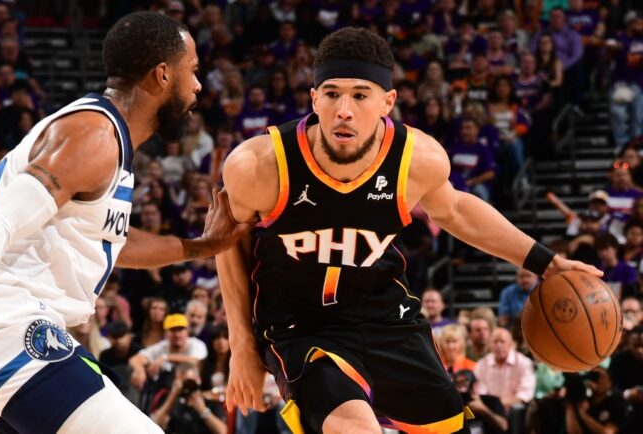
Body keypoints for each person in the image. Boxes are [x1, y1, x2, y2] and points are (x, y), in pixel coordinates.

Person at [215, 27, 599, 434]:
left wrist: (548, 262)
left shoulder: (417, 158)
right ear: (314, 98)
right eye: (331, 93)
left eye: (360, 95)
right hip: (301, 325)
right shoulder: (259, 165)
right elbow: (225, 242)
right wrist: (242, 347)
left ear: (388, 102)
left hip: (386, 316)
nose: (344, 109)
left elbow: (457, 211)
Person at [0, 12, 252, 434]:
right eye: (193, 71)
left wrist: (199, 247)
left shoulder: (107, 142)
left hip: (0, 325)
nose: (198, 86)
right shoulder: (94, 138)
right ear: (162, 76)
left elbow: (110, 241)